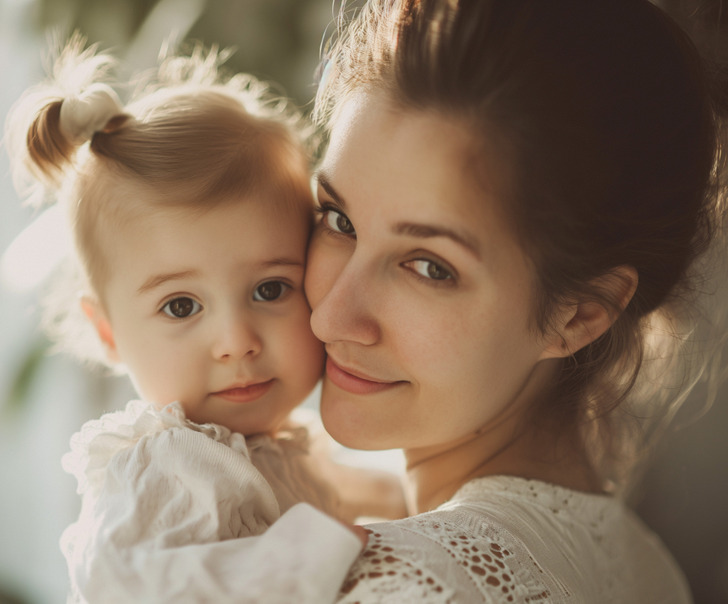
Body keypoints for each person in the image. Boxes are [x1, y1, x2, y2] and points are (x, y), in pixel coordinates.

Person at [299, 0, 727, 601]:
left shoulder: (413, 583)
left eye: (429, 267)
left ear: (577, 316)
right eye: (338, 219)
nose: (329, 315)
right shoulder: (644, 568)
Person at [6, 38, 401, 603]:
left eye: (270, 289)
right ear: (107, 332)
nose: (236, 342)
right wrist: (305, 553)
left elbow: (365, 495)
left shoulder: (280, 448)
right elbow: (127, 587)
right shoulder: (168, 466)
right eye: (181, 306)